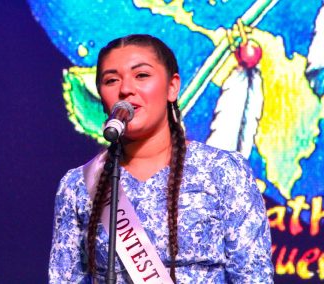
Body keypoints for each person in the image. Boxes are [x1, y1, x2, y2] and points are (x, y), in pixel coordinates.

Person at [49, 34, 274, 283]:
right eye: (111, 80)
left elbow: (253, 276)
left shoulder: (223, 171)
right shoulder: (78, 185)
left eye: (141, 75)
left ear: (172, 87)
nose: (125, 89)